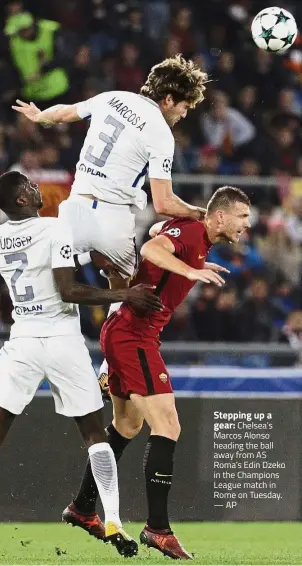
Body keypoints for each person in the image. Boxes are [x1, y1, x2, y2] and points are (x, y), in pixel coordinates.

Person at [0, 171, 163, 558]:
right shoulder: (56, 228)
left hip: (23, 341)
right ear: (22, 200)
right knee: (95, 433)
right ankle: (113, 519)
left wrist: (86, 255)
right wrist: (127, 293)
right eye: (29, 186)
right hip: (62, 340)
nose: (36, 188)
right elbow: (68, 290)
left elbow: (41, 256)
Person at [61, 186, 251, 559]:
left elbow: (154, 233)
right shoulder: (196, 232)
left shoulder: (197, 235)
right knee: (168, 426)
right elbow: (151, 248)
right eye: (243, 216)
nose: (248, 224)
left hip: (124, 333)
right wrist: (189, 270)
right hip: (134, 336)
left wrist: (192, 263)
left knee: (127, 426)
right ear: (222, 216)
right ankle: (158, 529)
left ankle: (82, 507)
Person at [13, 53, 209, 393]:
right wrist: (202, 214)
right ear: (168, 99)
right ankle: (108, 370)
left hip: (74, 209)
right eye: (184, 106)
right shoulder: (161, 133)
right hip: (113, 216)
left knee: (49, 280)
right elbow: (164, 204)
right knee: (130, 288)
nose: (184, 113)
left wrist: (39, 115)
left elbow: (65, 113)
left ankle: (32, 357)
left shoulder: (112, 97)